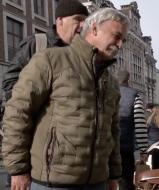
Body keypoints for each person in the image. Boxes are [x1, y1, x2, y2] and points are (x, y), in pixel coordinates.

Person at [2, 7, 129, 190]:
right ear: (94, 29)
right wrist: (18, 170)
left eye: (123, 40)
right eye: (116, 36)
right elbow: (17, 113)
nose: (120, 44)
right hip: (52, 182)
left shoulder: (110, 81)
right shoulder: (50, 60)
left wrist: (114, 175)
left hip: (98, 182)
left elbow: (113, 132)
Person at [1, 0, 89, 187]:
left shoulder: (81, 53)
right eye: (78, 19)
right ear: (60, 20)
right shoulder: (38, 43)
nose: (83, 25)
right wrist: (36, 104)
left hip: (64, 158)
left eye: (85, 21)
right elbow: (10, 81)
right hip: (33, 141)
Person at [117, 69, 148, 190]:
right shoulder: (134, 95)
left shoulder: (106, 91)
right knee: (126, 182)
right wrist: (143, 150)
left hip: (107, 146)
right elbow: (140, 123)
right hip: (125, 146)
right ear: (128, 79)